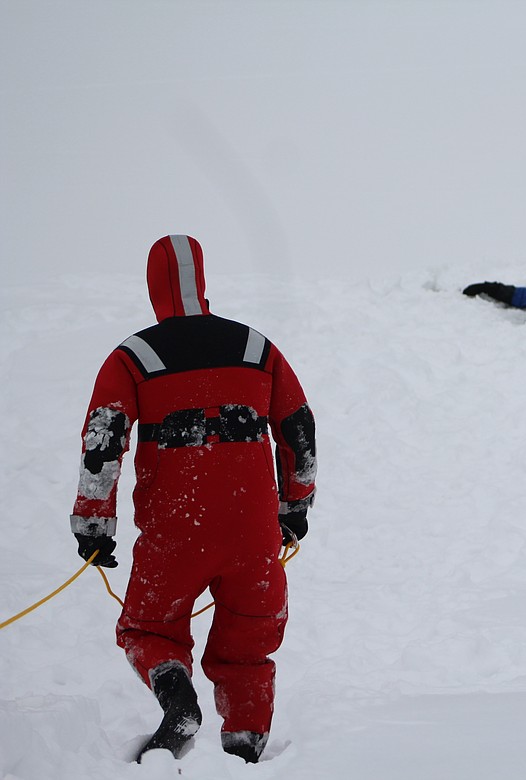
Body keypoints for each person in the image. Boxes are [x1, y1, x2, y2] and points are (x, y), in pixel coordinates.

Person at [69, 235, 317, 764]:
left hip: (176, 532)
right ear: (203, 280)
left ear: (153, 286)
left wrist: (94, 521)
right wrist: (295, 504)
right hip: (253, 536)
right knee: (248, 644)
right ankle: (245, 751)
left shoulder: (133, 357)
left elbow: (104, 435)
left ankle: (177, 698)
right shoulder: (256, 347)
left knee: (148, 627)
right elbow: (297, 427)